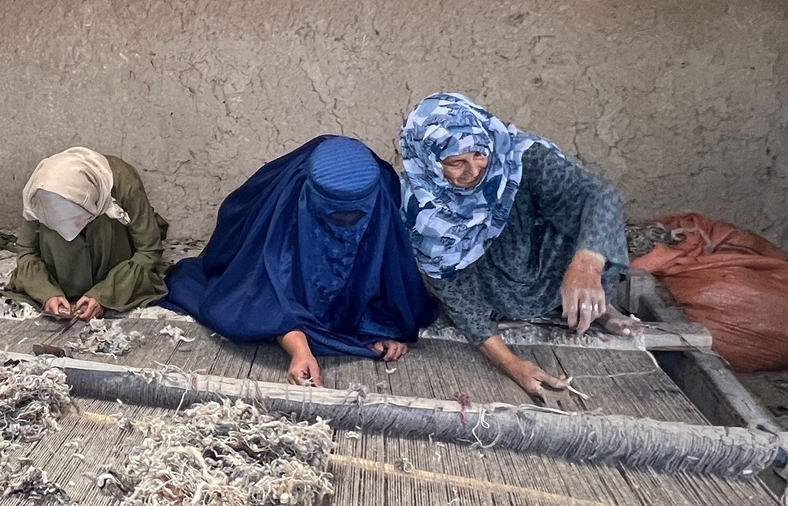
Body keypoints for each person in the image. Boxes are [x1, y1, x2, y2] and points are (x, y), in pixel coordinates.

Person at [399, 92, 639, 396]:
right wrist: (512, 364)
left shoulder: (522, 157)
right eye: (456, 163)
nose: (474, 172)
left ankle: (599, 306)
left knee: (591, 218)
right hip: (493, 285)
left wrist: (586, 267)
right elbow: (458, 298)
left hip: (550, 261)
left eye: (478, 154)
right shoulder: (423, 211)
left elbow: (600, 197)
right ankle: (553, 305)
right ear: (430, 163)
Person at [164, 135, 436, 386]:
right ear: (311, 197)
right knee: (234, 314)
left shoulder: (382, 209)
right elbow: (266, 294)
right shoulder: (284, 212)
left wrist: (380, 326)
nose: (345, 226)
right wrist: (300, 349)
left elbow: (390, 281)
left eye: (356, 215)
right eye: (333, 215)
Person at [4, 147, 168, 320]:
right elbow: (27, 251)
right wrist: (48, 294)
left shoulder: (123, 181)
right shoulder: (41, 190)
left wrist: (105, 295)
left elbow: (149, 251)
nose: (72, 233)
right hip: (62, 272)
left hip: (113, 263)